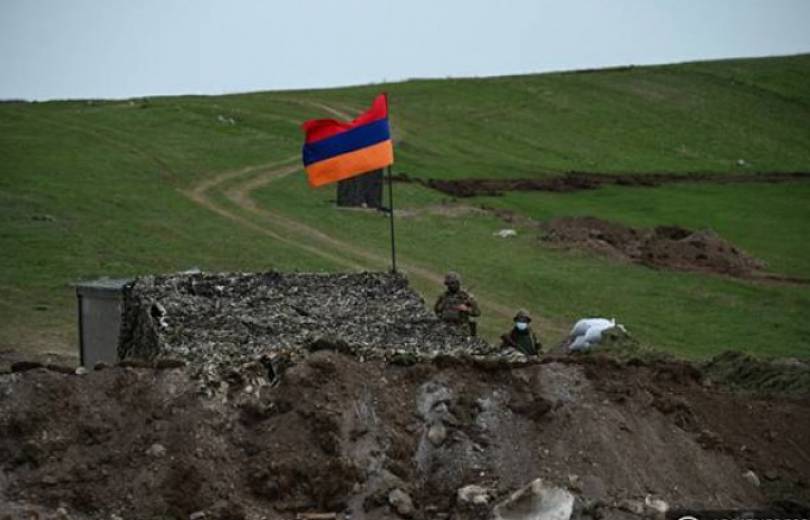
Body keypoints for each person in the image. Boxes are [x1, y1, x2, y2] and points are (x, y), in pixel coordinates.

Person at [434, 271, 481, 336]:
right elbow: (436, 310)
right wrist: (443, 308)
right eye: (448, 284)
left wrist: (466, 309)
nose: (450, 286)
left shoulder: (466, 296)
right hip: (445, 329)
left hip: (461, 330)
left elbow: (477, 313)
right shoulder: (443, 296)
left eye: (453, 283)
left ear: (458, 283)